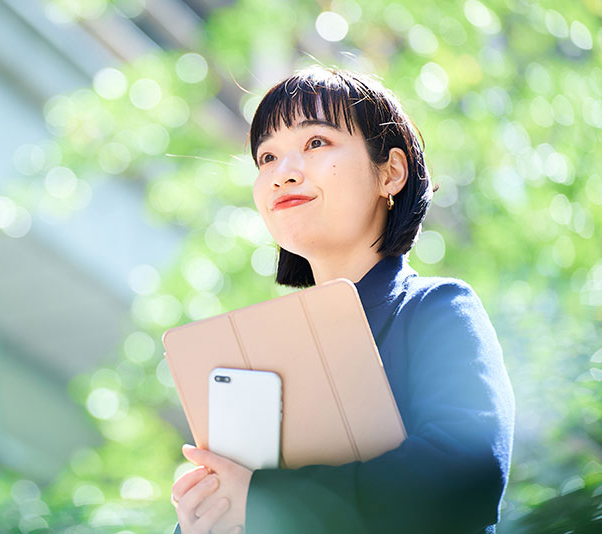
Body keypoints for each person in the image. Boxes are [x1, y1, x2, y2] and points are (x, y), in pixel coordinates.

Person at [169, 66, 515, 534]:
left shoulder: (436, 310)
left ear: (390, 172)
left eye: (315, 143)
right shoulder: (251, 362)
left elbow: (467, 474)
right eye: (267, 156)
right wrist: (208, 517)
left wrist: (265, 500)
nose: (281, 174)